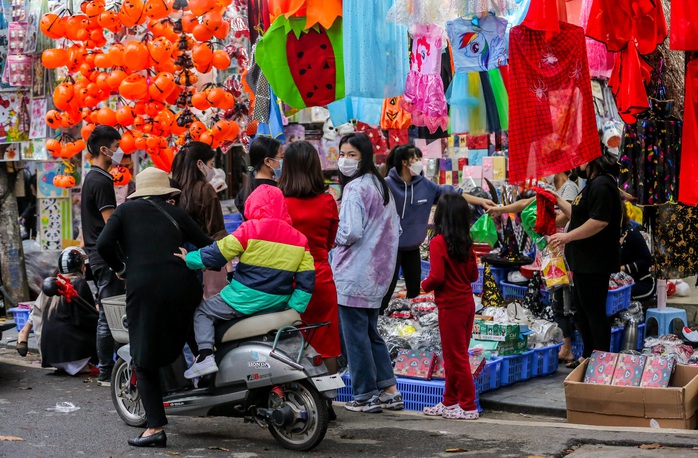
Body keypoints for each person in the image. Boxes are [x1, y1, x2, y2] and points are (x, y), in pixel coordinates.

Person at [97, 167, 212, 448]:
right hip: (183, 286)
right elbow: (209, 245)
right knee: (195, 339)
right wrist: (192, 257)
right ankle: (212, 389)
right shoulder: (176, 212)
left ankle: (154, 428)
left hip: (145, 289)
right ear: (166, 192)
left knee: (143, 359)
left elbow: (103, 244)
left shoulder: (124, 212)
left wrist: (122, 268)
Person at [179, 185, 315, 379]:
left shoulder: (250, 229)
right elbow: (307, 280)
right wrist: (294, 308)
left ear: (253, 205)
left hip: (243, 300)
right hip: (277, 303)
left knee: (203, 312)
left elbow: (217, 253)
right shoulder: (299, 239)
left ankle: (205, 357)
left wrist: (190, 259)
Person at [332, 132, 404, 413]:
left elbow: (349, 232)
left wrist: (330, 234)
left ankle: (364, 394)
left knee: (356, 337)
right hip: (378, 275)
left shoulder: (354, 189)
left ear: (364, 157)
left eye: (352, 155)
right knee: (371, 333)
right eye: (343, 154)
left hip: (354, 274)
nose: (345, 160)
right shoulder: (380, 185)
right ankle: (389, 389)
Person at [381, 145, 495, 312]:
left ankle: (409, 322)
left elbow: (454, 194)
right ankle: (378, 321)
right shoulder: (386, 185)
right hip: (389, 248)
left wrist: (481, 202)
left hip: (413, 246)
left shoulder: (426, 185)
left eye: (420, 158)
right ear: (404, 162)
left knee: (414, 292)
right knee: (385, 290)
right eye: (416, 159)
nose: (419, 162)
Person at [549, 154, 621, 366]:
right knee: (582, 310)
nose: (576, 164)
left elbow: (599, 221)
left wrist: (567, 236)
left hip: (594, 261)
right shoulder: (591, 185)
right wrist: (557, 199)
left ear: (592, 160)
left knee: (594, 311)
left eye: (581, 158)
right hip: (583, 261)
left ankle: (600, 361)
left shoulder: (603, 185)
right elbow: (578, 215)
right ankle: (588, 355)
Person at [278, 141, 341, 374]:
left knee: (286, 343)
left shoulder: (279, 203)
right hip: (320, 279)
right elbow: (330, 242)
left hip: (287, 281)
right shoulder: (327, 202)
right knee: (327, 345)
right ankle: (327, 399)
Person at [421, 193, 480, 420]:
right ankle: (450, 401)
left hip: (450, 306)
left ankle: (467, 406)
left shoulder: (438, 242)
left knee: (455, 357)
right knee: (456, 355)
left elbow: (436, 277)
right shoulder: (466, 243)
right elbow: (474, 275)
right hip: (466, 303)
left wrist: (422, 286)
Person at [82, 125, 126, 386]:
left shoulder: (93, 177)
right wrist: (120, 260)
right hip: (105, 254)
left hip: (97, 253)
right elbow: (110, 224)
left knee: (107, 311)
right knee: (108, 312)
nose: (118, 152)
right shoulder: (101, 180)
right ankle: (107, 371)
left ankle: (108, 367)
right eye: (116, 147)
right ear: (104, 149)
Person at [171, 141, 228, 298]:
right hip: (197, 258)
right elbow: (216, 229)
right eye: (211, 164)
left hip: (173, 256)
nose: (212, 170)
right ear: (199, 164)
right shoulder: (204, 189)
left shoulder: (171, 189)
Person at [41, 247, 98, 375]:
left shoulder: (53, 285)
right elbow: (81, 320)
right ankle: (85, 366)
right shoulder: (79, 283)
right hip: (73, 355)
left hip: (52, 356)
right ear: (81, 267)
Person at [233, 136, 283, 218]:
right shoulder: (277, 191)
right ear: (267, 161)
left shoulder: (244, 192)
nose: (283, 161)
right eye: (281, 157)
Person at [620, 203, 655, 301]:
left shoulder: (631, 233)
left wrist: (622, 268)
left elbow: (647, 260)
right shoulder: (608, 235)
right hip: (620, 282)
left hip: (640, 282)